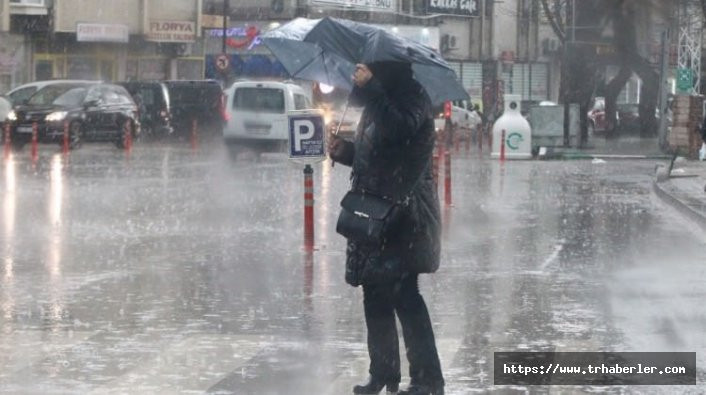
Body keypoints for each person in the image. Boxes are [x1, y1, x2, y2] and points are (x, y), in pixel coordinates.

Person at [328, 62, 444, 395]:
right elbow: (378, 155)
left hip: (403, 214)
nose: (357, 72)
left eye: (366, 68)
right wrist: (347, 151)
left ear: (383, 70)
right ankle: (383, 374)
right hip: (374, 212)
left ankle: (428, 380)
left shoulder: (411, 97)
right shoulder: (381, 101)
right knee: (374, 295)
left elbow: (399, 132)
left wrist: (374, 89)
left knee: (405, 297)